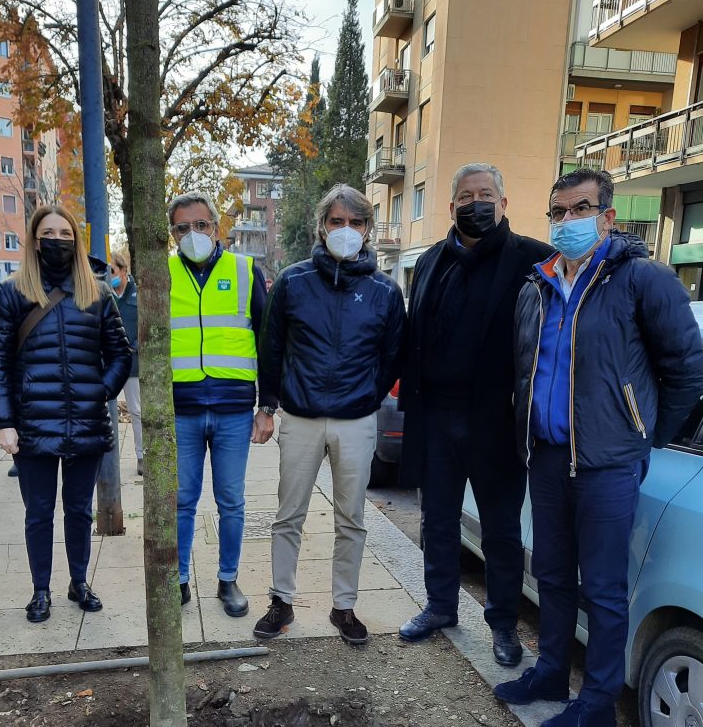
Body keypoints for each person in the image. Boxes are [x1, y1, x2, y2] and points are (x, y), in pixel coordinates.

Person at [496, 167, 703, 727]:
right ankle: (551, 674)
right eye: (557, 212)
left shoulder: (642, 281)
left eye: (579, 209)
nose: (567, 222)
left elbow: (688, 368)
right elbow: (525, 371)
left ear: (607, 216)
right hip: (547, 457)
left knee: (605, 590)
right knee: (554, 575)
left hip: (607, 464)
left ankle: (597, 702)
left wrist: (643, 434)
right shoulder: (534, 286)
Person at [396, 164, 551, 665]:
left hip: (497, 420)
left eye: (486, 194)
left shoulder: (535, 261)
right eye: (466, 195)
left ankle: (503, 625)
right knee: (437, 519)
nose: (476, 202)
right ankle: (440, 606)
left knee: (502, 530)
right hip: (436, 417)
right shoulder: (430, 262)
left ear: (504, 204)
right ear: (452, 206)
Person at [254, 183, 407, 645]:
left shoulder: (384, 291)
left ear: (368, 229)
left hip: (355, 422)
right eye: (337, 221)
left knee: (352, 519)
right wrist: (268, 405)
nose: (346, 230)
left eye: (356, 222)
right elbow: (272, 347)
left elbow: (392, 356)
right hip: (299, 418)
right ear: (322, 227)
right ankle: (281, 601)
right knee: (289, 514)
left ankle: (344, 607)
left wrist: (365, 397)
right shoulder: (294, 282)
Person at [0, 204, 131, 624]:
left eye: (66, 235)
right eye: (49, 233)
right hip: (32, 424)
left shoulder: (97, 293)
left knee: (80, 511)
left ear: (77, 241)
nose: (58, 241)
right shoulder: (11, 293)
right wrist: (4, 422)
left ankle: (79, 582)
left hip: (85, 422)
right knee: (39, 512)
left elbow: (121, 354)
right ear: (34, 240)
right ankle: (40, 590)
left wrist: (99, 391)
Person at [168, 190, 276, 617]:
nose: (192, 234)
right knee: (182, 500)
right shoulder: (161, 273)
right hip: (183, 409)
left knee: (232, 502)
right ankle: (177, 579)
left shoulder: (246, 271)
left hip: (233, 409)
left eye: (201, 225)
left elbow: (268, 343)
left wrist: (267, 407)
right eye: (182, 227)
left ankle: (227, 580)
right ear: (173, 233)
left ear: (216, 227)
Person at [110, 250, 143, 476]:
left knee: (137, 411)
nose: (108, 275)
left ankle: (141, 457)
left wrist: (136, 344)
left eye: (112, 270)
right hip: (109, 364)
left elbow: (146, 325)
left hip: (132, 364)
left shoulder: (137, 294)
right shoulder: (103, 293)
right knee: (104, 411)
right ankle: (105, 460)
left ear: (123, 270)